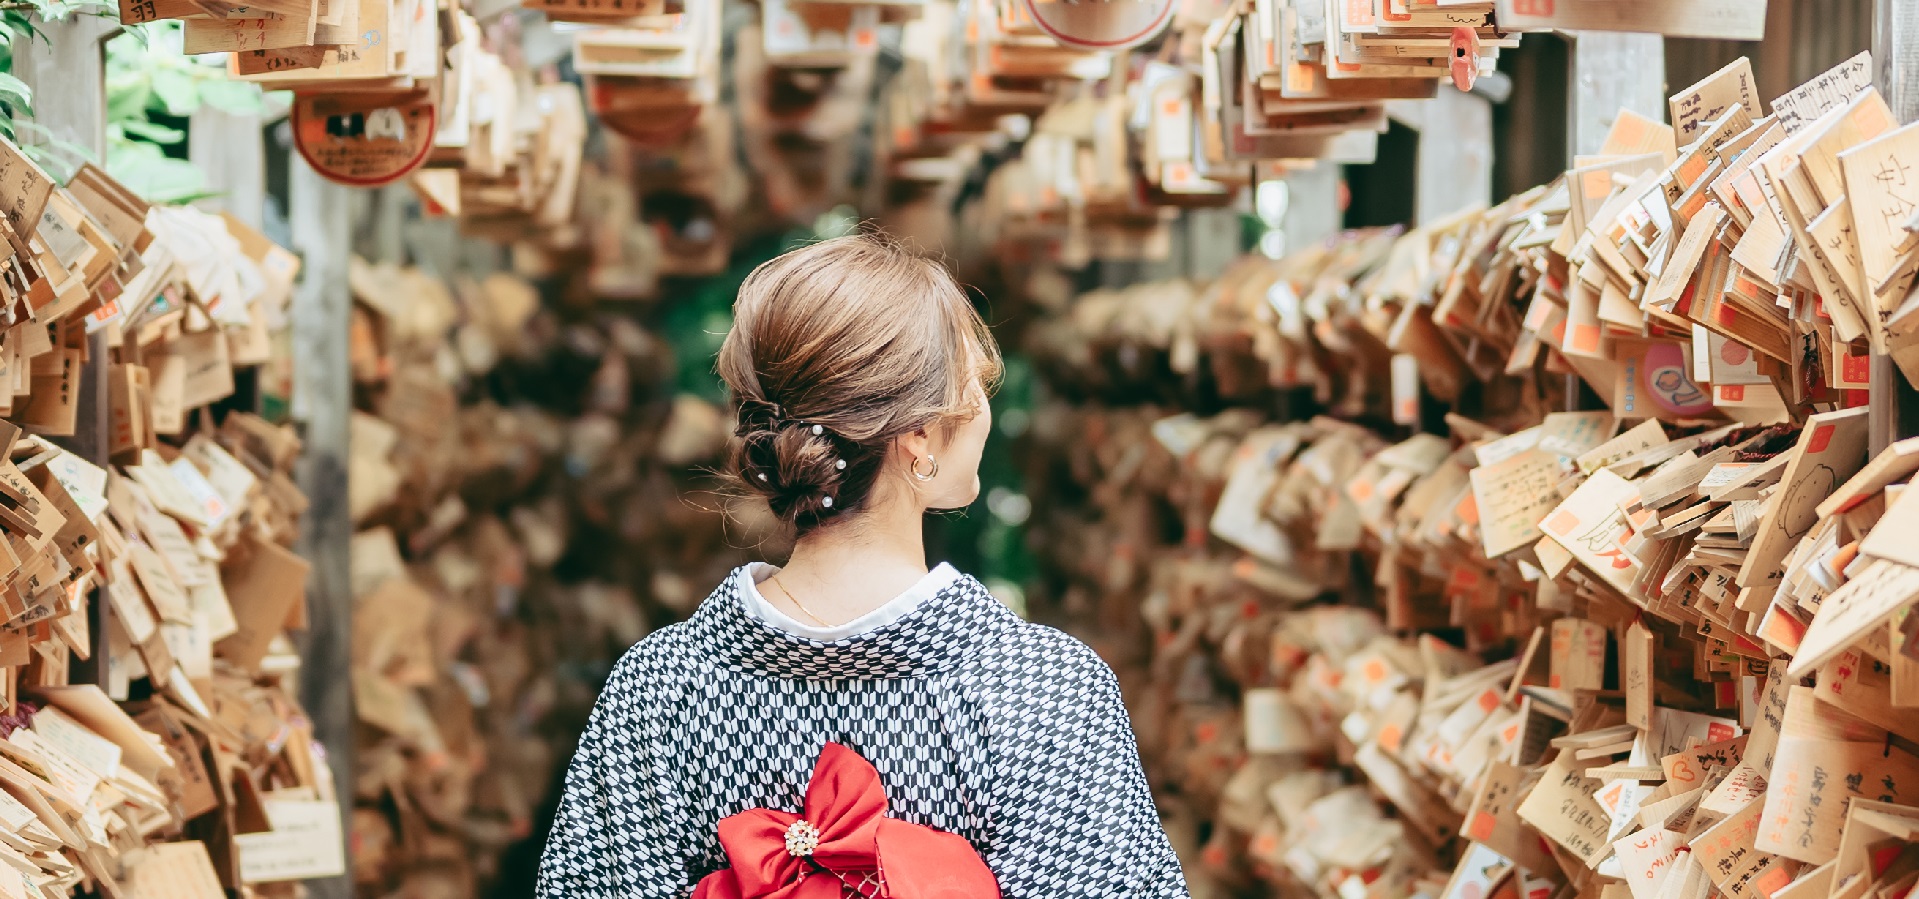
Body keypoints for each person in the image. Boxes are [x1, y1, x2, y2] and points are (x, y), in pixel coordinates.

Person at [535, 234, 1188, 898]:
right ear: (920, 439)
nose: (985, 412)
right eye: (974, 387)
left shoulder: (659, 688)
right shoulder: (1043, 690)